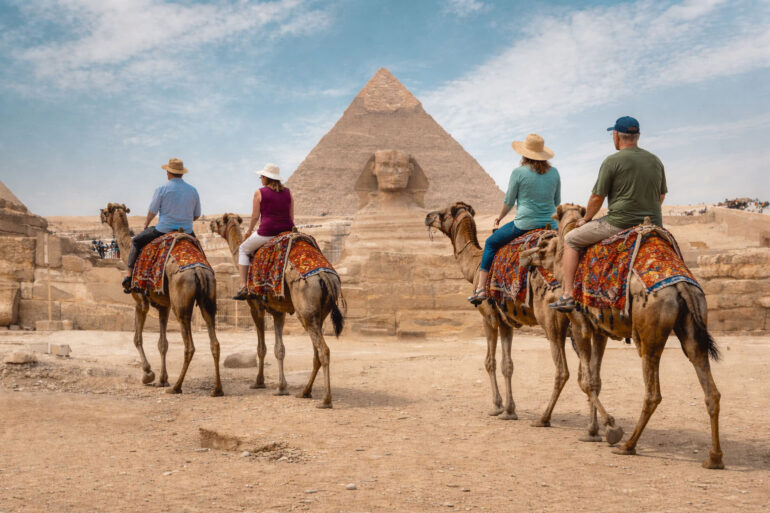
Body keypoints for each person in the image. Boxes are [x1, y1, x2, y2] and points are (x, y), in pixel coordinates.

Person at [549, 116, 667, 312]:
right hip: (653, 224)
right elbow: (660, 196)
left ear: (616, 136)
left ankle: (568, 295)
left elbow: (597, 197)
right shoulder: (655, 160)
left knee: (571, 239)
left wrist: (586, 219)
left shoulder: (612, 161)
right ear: (637, 136)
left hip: (620, 222)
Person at [468, 133, 561, 304]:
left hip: (525, 224)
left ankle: (481, 288)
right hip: (551, 225)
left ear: (525, 154)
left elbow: (509, 201)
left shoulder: (518, 172)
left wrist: (500, 217)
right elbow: (557, 202)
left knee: (490, 243)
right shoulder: (554, 172)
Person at [122, 158, 201, 292]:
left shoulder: (162, 189)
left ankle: (129, 276)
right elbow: (197, 215)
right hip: (186, 231)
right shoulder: (193, 190)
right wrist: (184, 220)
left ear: (168, 173)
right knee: (199, 251)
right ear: (182, 173)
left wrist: (146, 223)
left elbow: (152, 211)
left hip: (163, 230)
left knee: (136, 242)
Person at [233, 164, 295, 300]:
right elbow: (291, 216)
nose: (260, 178)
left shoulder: (260, 192)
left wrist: (249, 231)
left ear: (267, 178)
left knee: (243, 249)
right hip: (287, 231)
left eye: (261, 176)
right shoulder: (288, 192)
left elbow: (255, 216)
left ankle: (243, 285)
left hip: (267, 232)